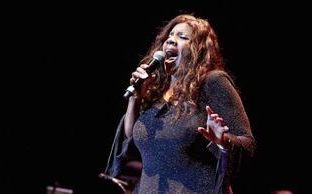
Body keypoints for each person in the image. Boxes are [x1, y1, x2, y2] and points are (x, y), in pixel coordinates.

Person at [104, 14, 256, 194]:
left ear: (198, 50)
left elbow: (248, 144)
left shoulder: (212, 82)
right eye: (169, 36)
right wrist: (135, 98)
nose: (171, 41)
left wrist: (222, 141)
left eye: (182, 37)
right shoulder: (156, 90)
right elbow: (131, 138)